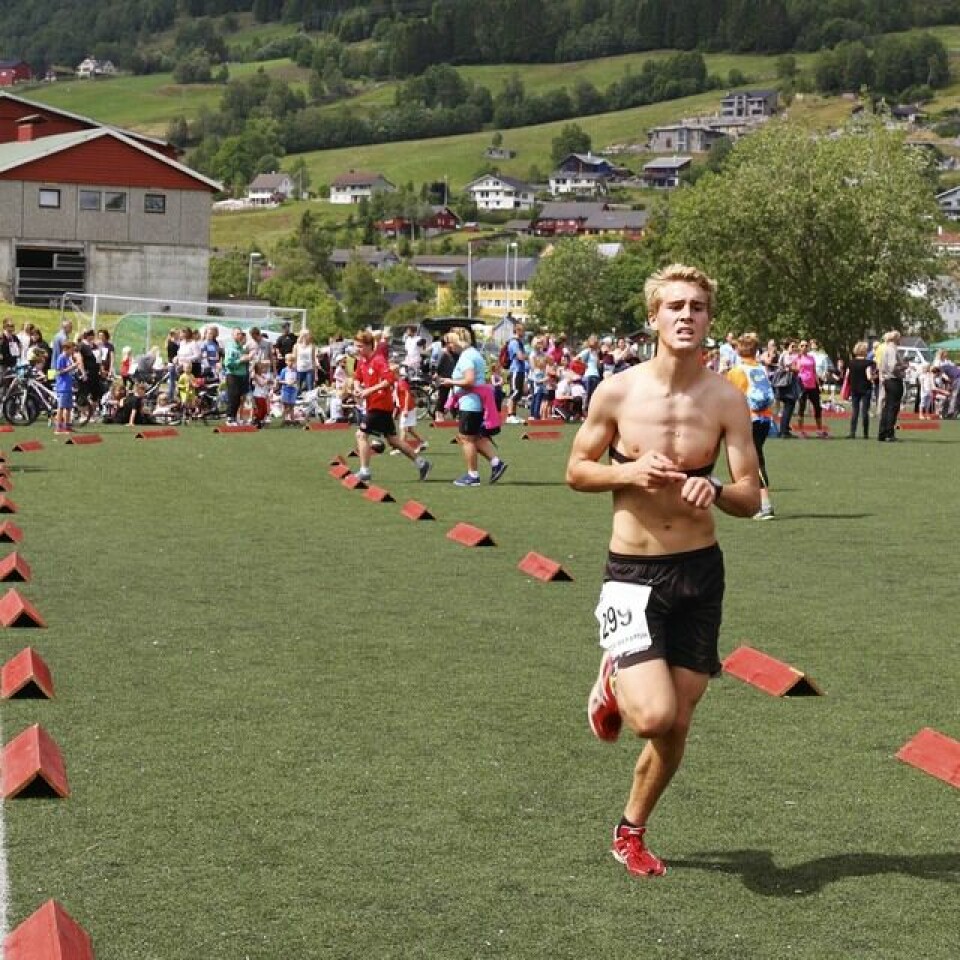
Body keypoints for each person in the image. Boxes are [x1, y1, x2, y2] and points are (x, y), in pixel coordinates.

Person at [566, 263, 760, 879]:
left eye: (697, 306)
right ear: (653, 317)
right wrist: (626, 472)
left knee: (676, 724)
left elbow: (752, 495)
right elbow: (576, 470)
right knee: (651, 716)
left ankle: (631, 830)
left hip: (700, 574)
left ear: (709, 319)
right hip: (633, 573)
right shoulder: (618, 393)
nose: (686, 315)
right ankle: (615, 672)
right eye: (674, 305)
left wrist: (716, 492)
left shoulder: (727, 399)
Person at [352, 331, 431, 483]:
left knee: (361, 435)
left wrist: (370, 390)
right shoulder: (362, 360)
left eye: (360, 346)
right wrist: (357, 387)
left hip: (380, 404)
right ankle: (422, 463)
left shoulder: (378, 360)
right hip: (373, 404)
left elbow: (390, 379)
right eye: (356, 346)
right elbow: (357, 377)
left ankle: (365, 471)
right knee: (393, 440)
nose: (357, 349)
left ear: (369, 346)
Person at [440, 327, 508, 486]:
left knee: (467, 439)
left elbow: (469, 380)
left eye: (449, 343)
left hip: (470, 404)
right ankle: (496, 463)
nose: (448, 347)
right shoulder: (473, 354)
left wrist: (451, 381)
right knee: (475, 437)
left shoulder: (466, 357)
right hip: (474, 402)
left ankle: (473, 476)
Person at [725, 333, 776, 519]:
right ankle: (762, 502)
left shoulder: (737, 371)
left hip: (749, 418)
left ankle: (763, 504)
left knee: (752, 461)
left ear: (739, 349)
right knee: (758, 457)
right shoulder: (760, 368)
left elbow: (730, 395)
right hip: (765, 418)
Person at [794, 340, 828, 438]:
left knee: (817, 407)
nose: (804, 347)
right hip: (802, 385)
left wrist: (819, 384)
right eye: (802, 345)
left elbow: (814, 371)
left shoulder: (811, 358)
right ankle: (801, 431)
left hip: (812, 385)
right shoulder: (797, 358)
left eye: (806, 345)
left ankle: (819, 430)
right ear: (799, 347)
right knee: (802, 408)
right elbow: (794, 369)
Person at [877, 330, 905, 442]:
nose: (901, 340)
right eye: (900, 337)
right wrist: (903, 368)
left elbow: (882, 366)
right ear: (895, 338)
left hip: (887, 380)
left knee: (887, 407)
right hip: (894, 380)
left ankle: (882, 432)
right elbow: (893, 366)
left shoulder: (885, 349)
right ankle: (889, 433)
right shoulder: (893, 350)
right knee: (893, 408)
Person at [223, 329, 254, 426]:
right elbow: (227, 363)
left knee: (239, 397)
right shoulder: (230, 347)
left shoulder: (241, 348)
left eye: (241, 334)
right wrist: (240, 360)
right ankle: (229, 418)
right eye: (238, 333)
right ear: (233, 335)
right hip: (233, 375)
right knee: (233, 396)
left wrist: (248, 358)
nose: (240, 335)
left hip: (242, 375)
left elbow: (245, 360)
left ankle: (234, 417)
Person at [847, 341, 875, 439]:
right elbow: (868, 376)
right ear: (864, 351)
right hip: (865, 389)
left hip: (854, 389)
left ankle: (852, 432)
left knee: (855, 411)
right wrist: (874, 377)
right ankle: (865, 433)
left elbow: (847, 376)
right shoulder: (868, 363)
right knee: (865, 412)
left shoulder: (851, 362)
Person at [503, 322, 527, 424]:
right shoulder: (514, 342)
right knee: (515, 392)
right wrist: (527, 356)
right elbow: (520, 356)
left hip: (520, 370)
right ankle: (509, 415)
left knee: (519, 393)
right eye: (522, 330)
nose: (524, 333)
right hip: (515, 369)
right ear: (517, 330)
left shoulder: (519, 342)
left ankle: (514, 414)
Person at [54, 341, 80, 433]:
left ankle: (67, 426)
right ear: (66, 349)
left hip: (68, 385)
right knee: (61, 407)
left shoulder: (68, 358)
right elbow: (59, 371)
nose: (72, 351)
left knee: (68, 407)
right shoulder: (61, 358)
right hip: (63, 386)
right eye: (71, 349)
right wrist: (72, 367)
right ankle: (58, 427)